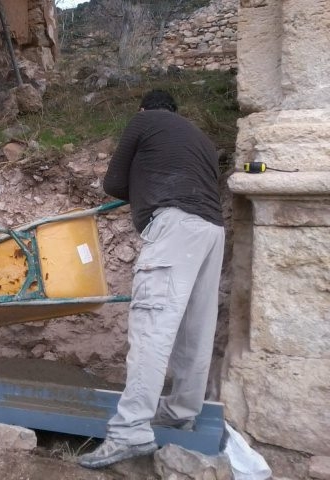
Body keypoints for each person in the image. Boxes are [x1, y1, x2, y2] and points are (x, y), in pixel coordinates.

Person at [78, 90, 225, 469]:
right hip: (211, 231)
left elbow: (113, 182)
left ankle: (129, 432)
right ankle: (180, 411)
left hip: (173, 226)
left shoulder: (143, 122)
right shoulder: (202, 140)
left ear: (143, 108)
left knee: (152, 329)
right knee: (196, 329)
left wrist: (140, 188)